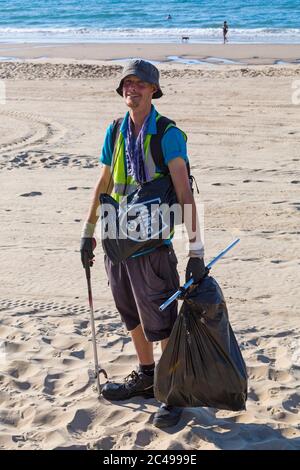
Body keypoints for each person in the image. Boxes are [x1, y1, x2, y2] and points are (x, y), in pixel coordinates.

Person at [80, 59, 205, 428]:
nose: (131, 89)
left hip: (152, 246)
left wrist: (195, 252)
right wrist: (87, 233)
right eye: (126, 84)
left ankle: (171, 390)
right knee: (131, 316)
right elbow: (103, 183)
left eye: (139, 83)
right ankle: (148, 376)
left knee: (162, 323)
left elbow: (184, 194)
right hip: (116, 242)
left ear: (153, 89)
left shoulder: (168, 134)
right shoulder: (115, 130)